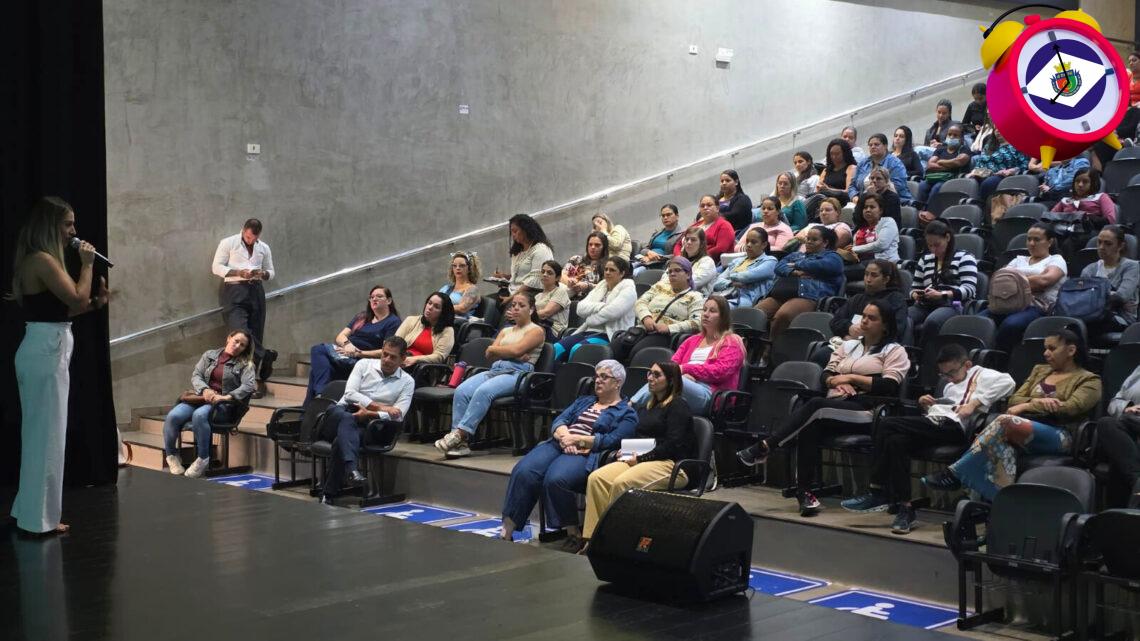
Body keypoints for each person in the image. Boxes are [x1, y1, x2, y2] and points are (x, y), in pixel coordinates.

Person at [737, 302, 910, 516]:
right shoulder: (849, 346)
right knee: (810, 425)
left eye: (872, 318)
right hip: (837, 405)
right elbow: (826, 374)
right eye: (864, 316)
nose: (864, 320)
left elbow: (889, 385)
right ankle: (805, 493)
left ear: (885, 325)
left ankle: (766, 446)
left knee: (815, 405)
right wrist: (834, 382)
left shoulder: (894, 351)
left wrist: (851, 378)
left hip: (868, 410)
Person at [9, 197, 109, 535]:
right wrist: (87, 264)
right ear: (50, 225)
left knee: (40, 435)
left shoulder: (39, 259)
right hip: (46, 350)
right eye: (68, 224)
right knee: (47, 437)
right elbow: (76, 297)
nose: (73, 231)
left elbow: (64, 309)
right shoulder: (42, 260)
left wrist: (97, 303)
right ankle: (40, 520)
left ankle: (28, 510)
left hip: (45, 346)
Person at [841, 344, 1016, 534]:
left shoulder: (983, 374)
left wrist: (974, 403)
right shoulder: (950, 386)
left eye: (951, 372)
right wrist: (926, 405)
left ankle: (878, 490)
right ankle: (906, 507)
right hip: (936, 425)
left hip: (956, 428)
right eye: (943, 374)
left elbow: (1009, 383)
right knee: (895, 441)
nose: (948, 378)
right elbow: (944, 409)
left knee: (886, 424)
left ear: (967, 365)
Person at [923, 329, 1101, 501]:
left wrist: (1029, 404)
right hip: (1024, 429)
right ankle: (997, 503)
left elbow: (1072, 407)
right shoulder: (1040, 370)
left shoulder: (1089, 380)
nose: (1046, 353)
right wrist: (1038, 403)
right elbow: (1015, 400)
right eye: (1045, 348)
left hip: (1061, 435)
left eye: (1052, 348)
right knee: (1002, 447)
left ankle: (955, 474)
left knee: (1004, 421)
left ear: (1071, 350)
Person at [499, 360, 637, 547]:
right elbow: (560, 420)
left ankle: (572, 531)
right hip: (559, 443)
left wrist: (579, 441)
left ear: (617, 382)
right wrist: (566, 437)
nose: (597, 380)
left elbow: (613, 440)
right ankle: (506, 531)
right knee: (524, 471)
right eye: (597, 376)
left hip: (586, 453)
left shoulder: (626, 412)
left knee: (556, 479)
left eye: (604, 377)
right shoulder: (584, 401)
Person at [580, 361, 695, 549]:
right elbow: (640, 437)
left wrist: (641, 458)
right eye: (649, 373)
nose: (650, 378)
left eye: (657, 375)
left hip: (672, 465)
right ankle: (593, 542)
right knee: (597, 478)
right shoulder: (647, 407)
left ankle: (617, 544)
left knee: (622, 483)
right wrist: (625, 450)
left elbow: (673, 445)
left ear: (671, 381)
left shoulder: (678, 406)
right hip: (644, 460)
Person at [435, 292, 547, 457]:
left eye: (521, 305)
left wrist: (503, 351)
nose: (516, 308)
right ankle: (461, 445)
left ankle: (459, 434)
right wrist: (508, 352)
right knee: (462, 390)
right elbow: (489, 353)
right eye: (513, 305)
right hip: (496, 369)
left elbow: (515, 350)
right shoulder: (505, 330)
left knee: (484, 391)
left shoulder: (536, 330)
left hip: (518, 373)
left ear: (531, 310)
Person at [318, 337, 415, 502]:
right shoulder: (364, 364)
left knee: (340, 441)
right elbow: (350, 394)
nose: (387, 359)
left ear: (403, 358)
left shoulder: (407, 381)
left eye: (393, 357)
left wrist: (369, 414)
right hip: (341, 413)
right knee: (347, 417)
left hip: (369, 425)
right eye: (385, 354)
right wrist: (380, 408)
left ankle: (330, 492)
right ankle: (351, 470)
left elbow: (399, 414)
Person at [163, 330, 257, 478]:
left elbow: (248, 386)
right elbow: (196, 375)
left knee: (199, 415)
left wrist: (227, 397)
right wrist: (205, 390)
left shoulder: (246, 365)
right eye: (236, 341)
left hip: (222, 405)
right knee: (173, 416)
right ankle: (172, 456)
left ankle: (203, 458)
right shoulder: (209, 355)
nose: (238, 346)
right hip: (201, 398)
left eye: (242, 345)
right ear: (229, 338)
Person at [629, 296, 745, 415]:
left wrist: (685, 370)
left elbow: (720, 371)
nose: (706, 314)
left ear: (723, 317)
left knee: (671, 379)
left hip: (710, 393)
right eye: (704, 310)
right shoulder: (692, 340)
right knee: (661, 377)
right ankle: (632, 409)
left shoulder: (731, 341)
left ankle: (629, 407)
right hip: (682, 384)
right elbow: (672, 365)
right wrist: (680, 374)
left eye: (712, 311)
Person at [304, 285, 401, 403]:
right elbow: (340, 336)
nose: (374, 299)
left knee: (318, 351)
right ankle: (317, 402)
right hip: (345, 353)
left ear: (389, 301)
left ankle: (319, 396)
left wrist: (358, 353)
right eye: (372, 297)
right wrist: (347, 345)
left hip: (361, 360)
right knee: (318, 366)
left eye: (379, 296)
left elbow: (386, 351)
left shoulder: (393, 322)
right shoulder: (363, 317)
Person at [980, 223, 1068, 351]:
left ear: (1050, 242)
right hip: (1005, 304)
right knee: (979, 321)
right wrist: (1032, 282)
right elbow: (999, 282)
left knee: (1011, 324)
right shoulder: (1018, 260)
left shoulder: (1056, 260)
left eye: (1037, 240)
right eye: (1029, 239)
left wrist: (1013, 282)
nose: (1031, 243)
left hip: (1036, 307)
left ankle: (998, 356)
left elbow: (1044, 280)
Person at [212, 218, 276, 391]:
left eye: (254, 238)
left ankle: (250, 383)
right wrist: (238, 272)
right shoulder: (228, 243)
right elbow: (216, 267)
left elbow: (271, 272)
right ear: (243, 230)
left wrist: (263, 274)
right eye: (248, 237)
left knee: (257, 332)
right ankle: (265, 354)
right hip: (235, 290)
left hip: (256, 291)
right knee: (241, 333)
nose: (251, 241)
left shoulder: (264, 247)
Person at [754, 226, 845, 339]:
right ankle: (749, 346)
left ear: (825, 242)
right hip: (780, 294)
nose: (809, 242)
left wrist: (798, 264)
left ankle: (773, 348)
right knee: (755, 314)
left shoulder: (833, 256)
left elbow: (825, 265)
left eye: (814, 239)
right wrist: (795, 272)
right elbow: (779, 267)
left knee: (783, 316)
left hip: (808, 296)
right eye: (808, 238)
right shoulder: (796, 255)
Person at [554, 256, 637, 362]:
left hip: (610, 335)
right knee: (556, 348)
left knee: (578, 349)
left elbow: (612, 312)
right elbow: (580, 308)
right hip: (589, 331)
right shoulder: (601, 286)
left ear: (622, 273)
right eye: (606, 269)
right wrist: (601, 306)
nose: (607, 272)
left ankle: (569, 372)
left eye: (612, 270)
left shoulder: (629, 289)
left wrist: (590, 320)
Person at [908, 221, 978, 341]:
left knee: (932, 321)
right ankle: (903, 349)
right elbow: (914, 288)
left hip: (952, 304)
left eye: (937, 245)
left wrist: (942, 294)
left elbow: (969, 289)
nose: (933, 250)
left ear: (947, 238)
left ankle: (924, 352)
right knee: (900, 317)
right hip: (925, 304)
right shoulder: (925, 259)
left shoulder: (965, 257)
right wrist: (915, 295)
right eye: (930, 245)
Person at [1094, 363, 1140, 507]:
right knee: (1106, 423)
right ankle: (1136, 479)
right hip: (1132, 426)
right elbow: (1115, 401)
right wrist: (1127, 407)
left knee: (1120, 459)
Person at [829, 259, 908, 339]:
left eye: (874, 275)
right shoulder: (857, 299)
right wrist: (849, 328)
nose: (868, 279)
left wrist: (864, 338)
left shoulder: (896, 299)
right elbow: (835, 322)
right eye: (866, 274)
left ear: (886, 279)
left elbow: (896, 330)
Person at [1081, 226, 1139, 328]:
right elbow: (1081, 297)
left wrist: (1094, 296)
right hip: (1092, 315)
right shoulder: (1089, 269)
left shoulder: (1132, 267)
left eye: (1108, 244)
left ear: (1120, 246)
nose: (1101, 247)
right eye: (1099, 242)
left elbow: (1122, 296)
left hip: (1122, 317)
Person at [634, 257, 704, 337]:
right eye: (670, 271)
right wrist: (646, 317)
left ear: (688, 274)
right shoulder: (659, 286)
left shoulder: (696, 297)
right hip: (642, 329)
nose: (672, 274)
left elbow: (697, 323)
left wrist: (669, 328)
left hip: (666, 336)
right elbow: (640, 301)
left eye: (677, 270)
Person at [493, 214, 554, 300]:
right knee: (486, 301)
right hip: (513, 291)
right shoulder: (518, 251)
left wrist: (510, 298)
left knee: (501, 306)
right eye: (511, 232)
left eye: (515, 231)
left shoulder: (541, 249)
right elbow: (522, 277)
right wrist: (504, 277)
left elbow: (535, 280)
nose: (513, 235)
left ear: (526, 230)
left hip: (532, 294)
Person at [714, 228, 778, 308]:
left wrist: (729, 277)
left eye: (753, 242)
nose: (748, 245)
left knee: (717, 308)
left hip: (745, 300)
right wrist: (730, 283)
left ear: (764, 245)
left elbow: (746, 277)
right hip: (724, 295)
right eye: (747, 241)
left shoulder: (770, 261)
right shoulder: (737, 261)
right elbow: (716, 282)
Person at [916, 123, 972, 210]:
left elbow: (958, 161)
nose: (952, 137)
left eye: (955, 135)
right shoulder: (941, 149)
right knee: (922, 185)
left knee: (936, 188)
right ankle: (918, 210)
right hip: (935, 176)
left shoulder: (964, 149)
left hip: (951, 179)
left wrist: (941, 161)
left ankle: (929, 211)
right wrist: (950, 166)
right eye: (949, 134)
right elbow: (930, 164)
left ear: (961, 138)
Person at [394, 292, 456, 367]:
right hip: (400, 359)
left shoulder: (447, 331)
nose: (430, 307)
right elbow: (395, 342)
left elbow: (439, 356)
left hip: (422, 368)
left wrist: (415, 359)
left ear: (443, 312)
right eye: (429, 303)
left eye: (436, 307)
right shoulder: (411, 320)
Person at [848, 193, 900, 281]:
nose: (868, 210)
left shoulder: (888, 222)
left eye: (872, 207)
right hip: (862, 263)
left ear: (881, 210)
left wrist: (854, 249)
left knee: (839, 271)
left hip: (883, 264)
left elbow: (881, 245)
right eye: (865, 207)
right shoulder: (861, 229)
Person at [850, 133, 913, 204]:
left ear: (885, 146)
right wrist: (854, 197)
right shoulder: (863, 163)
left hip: (891, 201)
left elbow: (898, 186)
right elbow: (852, 185)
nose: (873, 147)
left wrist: (873, 194)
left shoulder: (895, 163)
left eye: (876, 144)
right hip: (864, 202)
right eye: (870, 145)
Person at [1049, 167, 1117, 227]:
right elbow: (1049, 218)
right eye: (1077, 181)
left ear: (1093, 183)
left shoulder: (1101, 197)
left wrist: (1088, 217)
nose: (1080, 185)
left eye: (1085, 182)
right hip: (1063, 231)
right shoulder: (1065, 201)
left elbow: (1110, 220)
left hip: (1090, 232)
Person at [677, 194, 735, 263]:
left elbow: (721, 248)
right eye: (702, 206)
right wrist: (680, 258)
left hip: (709, 262)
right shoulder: (695, 225)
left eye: (709, 205)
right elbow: (678, 244)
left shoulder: (724, 225)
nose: (705, 208)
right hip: (684, 261)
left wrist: (695, 257)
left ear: (717, 208)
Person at [634, 204, 683, 273]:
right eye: (663, 215)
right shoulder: (657, 233)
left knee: (634, 272)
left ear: (677, 216)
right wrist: (648, 252)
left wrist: (655, 257)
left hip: (660, 265)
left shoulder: (681, 235)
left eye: (668, 214)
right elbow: (645, 248)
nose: (665, 217)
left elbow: (676, 255)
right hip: (645, 260)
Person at [562, 231, 609, 298]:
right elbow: (562, 275)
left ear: (604, 247)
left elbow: (607, 287)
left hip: (590, 299)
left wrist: (587, 286)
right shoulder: (576, 259)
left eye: (597, 245)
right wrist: (570, 282)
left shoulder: (608, 265)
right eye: (590, 244)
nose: (593, 247)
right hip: (567, 296)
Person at [674, 227, 718, 295]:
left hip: (694, 298)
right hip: (672, 293)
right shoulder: (679, 259)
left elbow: (690, 282)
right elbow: (665, 278)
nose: (689, 242)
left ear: (701, 244)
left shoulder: (707, 262)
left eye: (693, 240)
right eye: (687, 239)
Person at [535, 260, 572, 339]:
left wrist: (526, 316)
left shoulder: (560, 292)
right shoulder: (537, 296)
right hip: (538, 326)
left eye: (549, 273)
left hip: (554, 331)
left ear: (557, 278)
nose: (545, 274)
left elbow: (546, 313)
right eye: (543, 272)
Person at [439, 251, 481, 319]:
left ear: (469, 269)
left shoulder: (473, 289)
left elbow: (462, 309)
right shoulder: (445, 288)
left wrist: (439, 308)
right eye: (454, 266)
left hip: (458, 323)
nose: (457, 268)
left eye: (462, 265)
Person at [816, 138, 857, 206]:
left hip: (840, 201)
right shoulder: (826, 170)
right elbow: (818, 188)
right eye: (831, 154)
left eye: (837, 154)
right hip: (824, 201)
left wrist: (829, 189)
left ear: (845, 153)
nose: (834, 157)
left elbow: (849, 192)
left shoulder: (851, 168)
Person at [718, 169, 754, 233]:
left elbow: (734, 215)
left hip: (736, 232)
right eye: (722, 181)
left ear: (736, 182)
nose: (724, 183)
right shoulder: (716, 199)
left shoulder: (743, 199)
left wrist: (713, 216)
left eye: (727, 180)